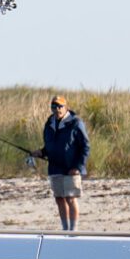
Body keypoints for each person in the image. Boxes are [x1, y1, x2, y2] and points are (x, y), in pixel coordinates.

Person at [40, 95, 89, 232]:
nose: (57, 109)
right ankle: (65, 228)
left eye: (60, 106)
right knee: (59, 198)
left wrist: (78, 167)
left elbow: (85, 147)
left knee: (71, 198)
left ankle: (73, 230)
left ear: (65, 107)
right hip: (55, 167)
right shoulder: (49, 123)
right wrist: (41, 152)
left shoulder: (75, 122)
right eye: (54, 106)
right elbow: (49, 146)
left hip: (71, 168)